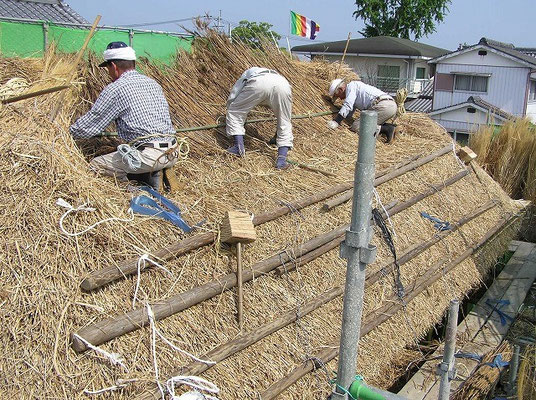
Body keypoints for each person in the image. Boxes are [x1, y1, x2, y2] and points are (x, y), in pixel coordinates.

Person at [70, 41, 178, 189]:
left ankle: (132, 188)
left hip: (148, 155)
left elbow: (90, 126)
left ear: (114, 66)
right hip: (173, 152)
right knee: (127, 154)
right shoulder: (152, 83)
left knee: (96, 165)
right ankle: (157, 172)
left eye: (108, 68)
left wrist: (67, 132)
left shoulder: (116, 89)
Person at [226, 67, 293, 169]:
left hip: (259, 83)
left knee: (235, 112)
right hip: (283, 85)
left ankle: (238, 148)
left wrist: (230, 106)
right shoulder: (275, 75)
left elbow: (235, 93)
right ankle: (281, 161)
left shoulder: (248, 73)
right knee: (284, 120)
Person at [327, 79, 397, 143]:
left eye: (337, 95)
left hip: (384, 106)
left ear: (340, 89)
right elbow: (348, 113)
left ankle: (387, 129)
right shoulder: (354, 89)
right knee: (365, 122)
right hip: (389, 104)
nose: (340, 98)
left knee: (357, 126)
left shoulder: (351, 87)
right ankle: (388, 126)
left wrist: (336, 121)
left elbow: (347, 105)